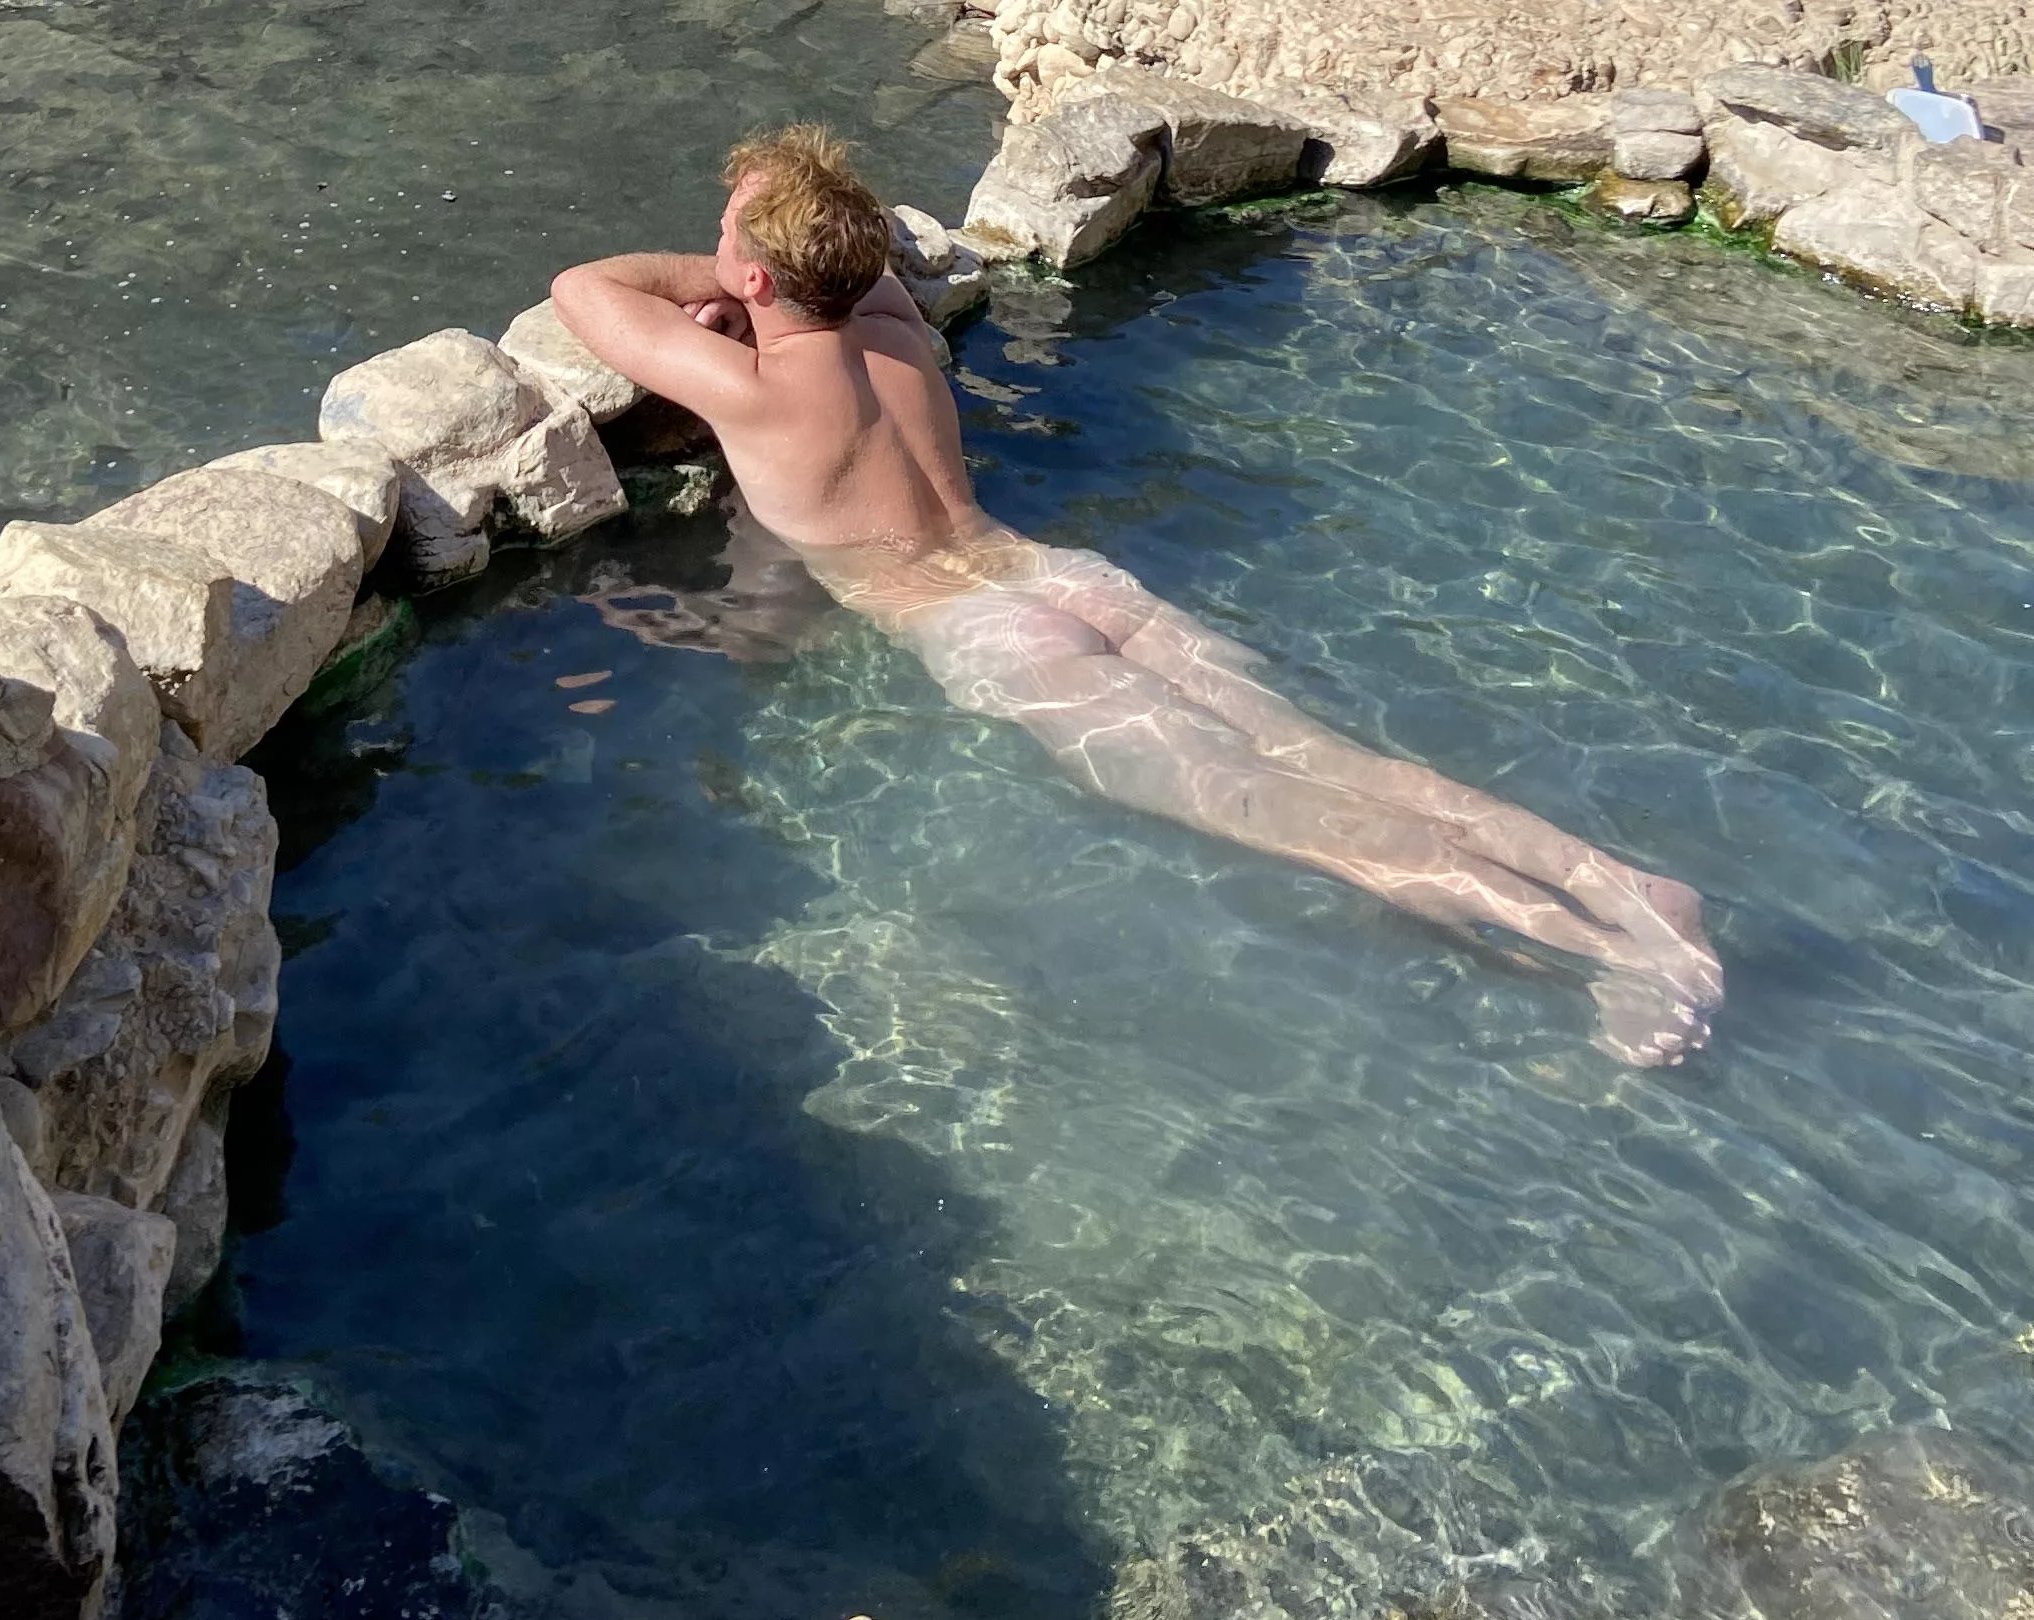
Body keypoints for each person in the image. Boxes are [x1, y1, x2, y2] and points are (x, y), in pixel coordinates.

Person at [548, 122, 1724, 1068]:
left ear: (756, 273)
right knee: (1334, 759)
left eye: (730, 232)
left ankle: (1612, 956)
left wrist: (726, 283)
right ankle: (1623, 888)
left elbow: (583, 285)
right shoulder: (895, 323)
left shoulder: (754, 390)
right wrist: (774, 267)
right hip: (1062, 576)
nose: (716, 242)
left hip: (986, 633)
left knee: (1275, 810)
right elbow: (845, 272)